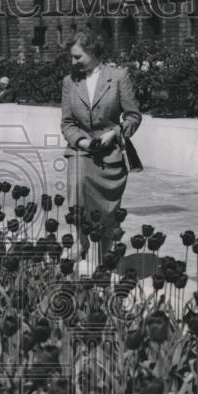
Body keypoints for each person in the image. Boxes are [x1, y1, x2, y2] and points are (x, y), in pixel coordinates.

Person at [61, 30, 142, 277]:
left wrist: (115, 133)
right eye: (72, 58)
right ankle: (81, 242)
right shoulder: (69, 82)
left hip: (110, 155)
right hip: (81, 152)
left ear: (93, 52)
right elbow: (67, 123)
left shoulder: (118, 77)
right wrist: (82, 142)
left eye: (78, 57)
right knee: (77, 195)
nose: (73, 63)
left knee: (107, 213)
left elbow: (133, 116)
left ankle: (108, 264)